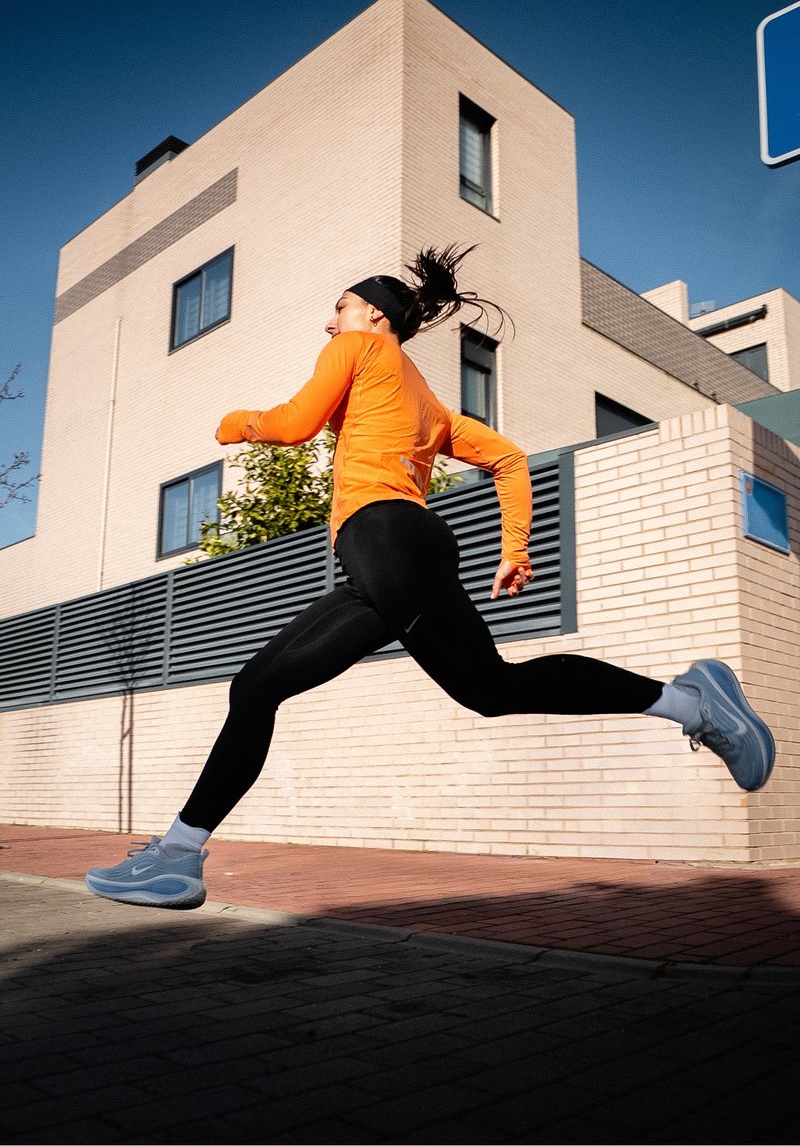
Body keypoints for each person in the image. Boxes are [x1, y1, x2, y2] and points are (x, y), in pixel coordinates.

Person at [86, 245, 775, 909]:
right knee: (260, 686)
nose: (329, 322)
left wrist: (237, 424)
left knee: (490, 688)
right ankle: (177, 856)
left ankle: (693, 704)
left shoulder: (360, 349)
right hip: (383, 556)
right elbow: (507, 458)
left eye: (341, 307)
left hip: (387, 539)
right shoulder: (429, 404)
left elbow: (295, 425)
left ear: (375, 317)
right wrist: (514, 546)